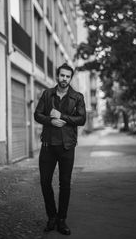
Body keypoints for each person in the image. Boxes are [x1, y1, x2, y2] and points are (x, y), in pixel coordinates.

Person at [34, 63, 86, 236]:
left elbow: (81, 119)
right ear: (57, 76)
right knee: (44, 182)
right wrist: (50, 120)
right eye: (62, 75)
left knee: (65, 185)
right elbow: (37, 114)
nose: (64, 79)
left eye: (67, 76)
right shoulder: (47, 94)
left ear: (70, 78)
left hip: (67, 147)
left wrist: (62, 116)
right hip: (48, 146)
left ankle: (62, 220)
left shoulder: (77, 97)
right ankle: (52, 217)